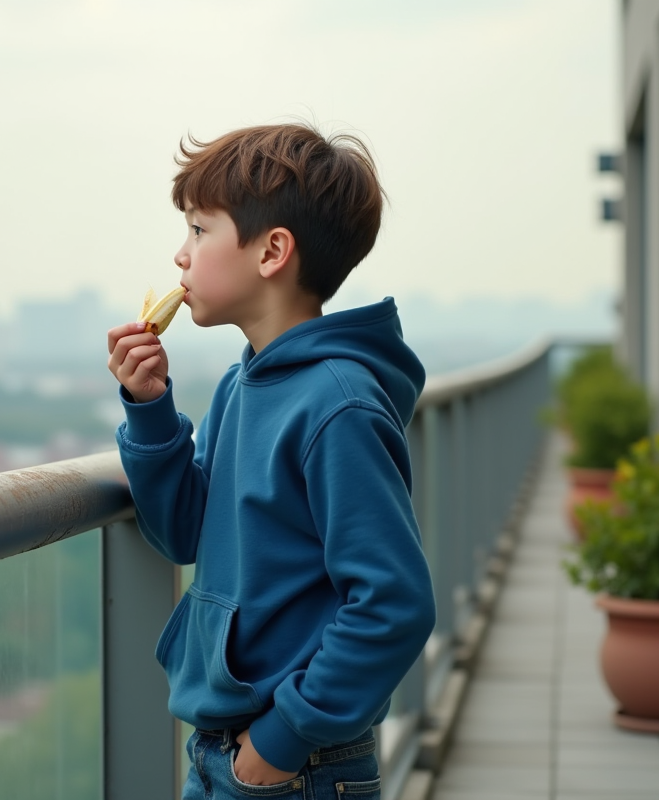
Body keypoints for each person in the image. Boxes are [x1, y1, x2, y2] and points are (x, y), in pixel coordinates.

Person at [106, 122, 436, 797]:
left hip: (296, 766)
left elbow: (393, 602)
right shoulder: (244, 382)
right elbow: (185, 532)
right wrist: (150, 408)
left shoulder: (336, 405)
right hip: (224, 750)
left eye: (199, 230)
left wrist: (280, 743)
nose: (180, 255)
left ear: (271, 252)